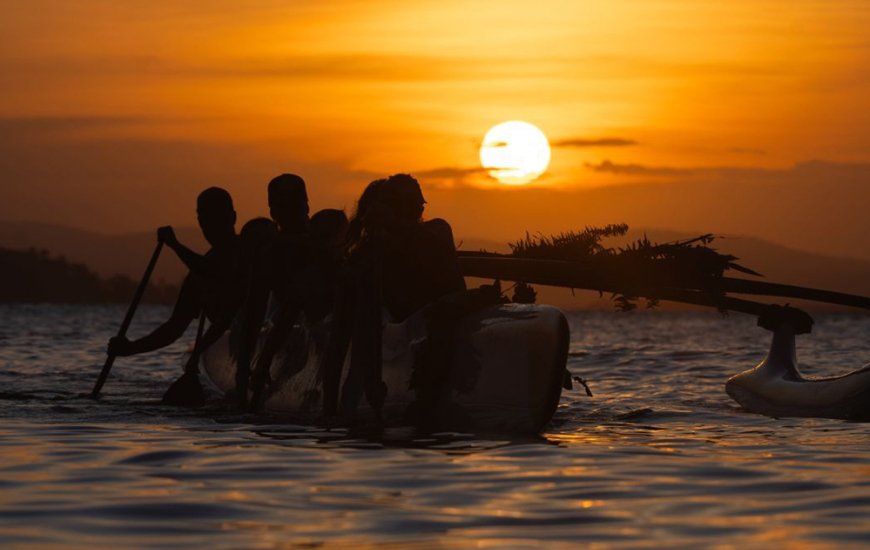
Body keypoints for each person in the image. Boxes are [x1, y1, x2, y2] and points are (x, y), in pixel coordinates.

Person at [107, 187, 242, 404]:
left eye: (217, 215)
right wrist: (131, 348)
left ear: (233, 217)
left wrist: (175, 246)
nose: (209, 223)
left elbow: (218, 270)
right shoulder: (197, 278)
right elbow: (174, 328)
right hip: (229, 344)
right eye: (203, 216)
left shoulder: (250, 250)